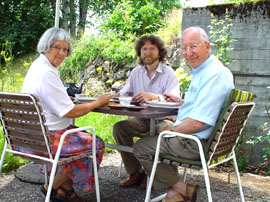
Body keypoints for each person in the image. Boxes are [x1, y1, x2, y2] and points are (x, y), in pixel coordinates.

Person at [133, 26, 235, 202]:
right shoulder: (209, 71)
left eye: (193, 46)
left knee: (141, 147)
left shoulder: (213, 75)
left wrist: (172, 130)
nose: (188, 53)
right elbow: (204, 105)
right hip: (199, 138)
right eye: (185, 48)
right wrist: (182, 102)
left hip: (196, 143)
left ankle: (183, 189)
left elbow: (197, 123)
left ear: (207, 46)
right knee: (159, 129)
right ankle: (174, 192)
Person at [18, 27, 111, 202]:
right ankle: (50, 187)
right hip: (48, 138)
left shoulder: (38, 66)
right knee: (95, 145)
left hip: (28, 135)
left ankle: (66, 192)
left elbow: (47, 97)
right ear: (46, 46)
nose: (62, 53)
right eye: (57, 47)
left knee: (80, 140)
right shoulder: (47, 73)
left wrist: (62, 97)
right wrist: (98, 102)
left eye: (65, 49)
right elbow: (71, 112)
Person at [113, 35, 180, 189]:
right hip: (143, 119)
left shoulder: (169, 73)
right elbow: (125, 93)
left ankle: (155, 174)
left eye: (152, 49)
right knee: (119, 128)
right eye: (144, 49)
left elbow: (175, 100)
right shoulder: (136, 72)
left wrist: (155, 97)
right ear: (140, 52)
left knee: (164, 132)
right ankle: (135, 172)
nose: (148, 53)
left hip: (164, 118)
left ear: (159, 52)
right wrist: (115, 96)